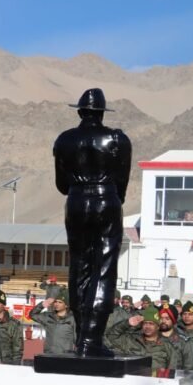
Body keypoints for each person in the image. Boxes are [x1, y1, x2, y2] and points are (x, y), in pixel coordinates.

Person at [53, 88, 131, 358]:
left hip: (75, 202)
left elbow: (61, 184)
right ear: (101, 112)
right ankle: (91, 339)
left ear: (80, 111)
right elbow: (122, 181)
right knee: (104, 266)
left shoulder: (64, 140)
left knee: (79, 265)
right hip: (106, 199)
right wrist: (109, 198)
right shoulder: (117, 139)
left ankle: (81, 337)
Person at [105, 307, 179, 374]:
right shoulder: (132, 340)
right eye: (145, 323)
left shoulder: (167, 345)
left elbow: (172, 371)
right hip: (134, 383)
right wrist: (127, 323)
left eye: (151, 324)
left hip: (156, 384)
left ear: (157, 326)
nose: (147, 327)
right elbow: (112, 337)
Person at [29, 286, 76, 354]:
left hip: (65, 356)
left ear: (66, 305)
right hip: (49, 354)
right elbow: (32, 315)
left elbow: (77, 339)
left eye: (60, 302)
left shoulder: (72, 319)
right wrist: (42, 305)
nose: (57, 304)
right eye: (55, 302)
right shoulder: (48, 316)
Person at [0, 287, 24, 364]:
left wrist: (14, 368)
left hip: (5, 365)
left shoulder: (14, 324)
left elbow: (17, 350)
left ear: (3, 305)